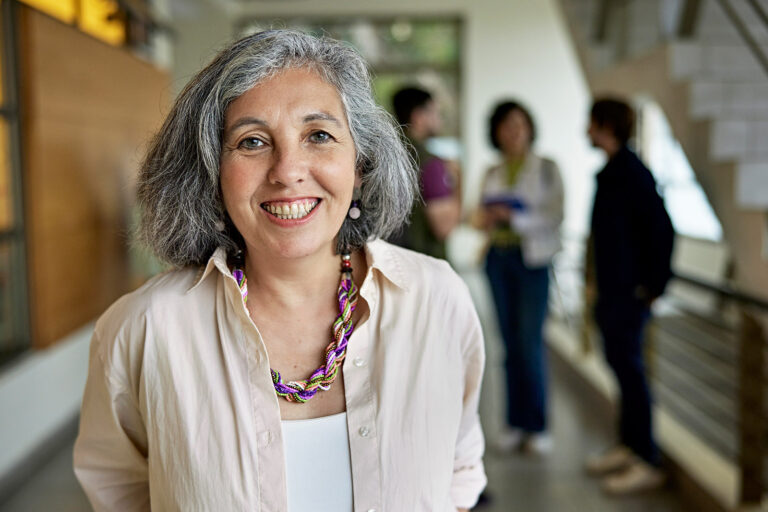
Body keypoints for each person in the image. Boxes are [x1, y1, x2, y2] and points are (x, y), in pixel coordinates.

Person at [73, 30, 486, 511]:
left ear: (360, 164)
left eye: (319, 135)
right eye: (251, 141)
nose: (287, 170)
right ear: (210, 172)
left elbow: (458, 475)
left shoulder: (436, 299)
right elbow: (119, 493)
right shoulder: (144, 329)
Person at [584, 97, 674, 494]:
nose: (585, 130)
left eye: (590, 123)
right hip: (612, 292)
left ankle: (647, 459)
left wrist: (653, 286)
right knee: (621, 367)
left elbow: (663, 231)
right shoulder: (613, 172)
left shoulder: (632, 173)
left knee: (631, 371)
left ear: (604, 125)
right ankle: (630, 445)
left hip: (628, 295)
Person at [475, 101, 564, 454]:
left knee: (530, 342)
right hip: (499, 260)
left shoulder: (546, 168)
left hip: (533, 263)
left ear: (529, 129)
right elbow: (480, 216)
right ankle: (513, 422)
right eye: (505, 125)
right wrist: (491, 215)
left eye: (519, 124)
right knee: (509, 344)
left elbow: (556, 215)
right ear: (495, 132)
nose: (513, 132)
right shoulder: (493, 171)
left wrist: (515, 218)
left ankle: (537, 425)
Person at [391, 86, 461, 259]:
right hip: (423, 264)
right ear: (418, 117)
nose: (439, 119)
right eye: (435, 112)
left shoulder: (385, 154)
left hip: (387, 260)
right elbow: (443, 228)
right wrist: (460, 180)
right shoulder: (430, 163)